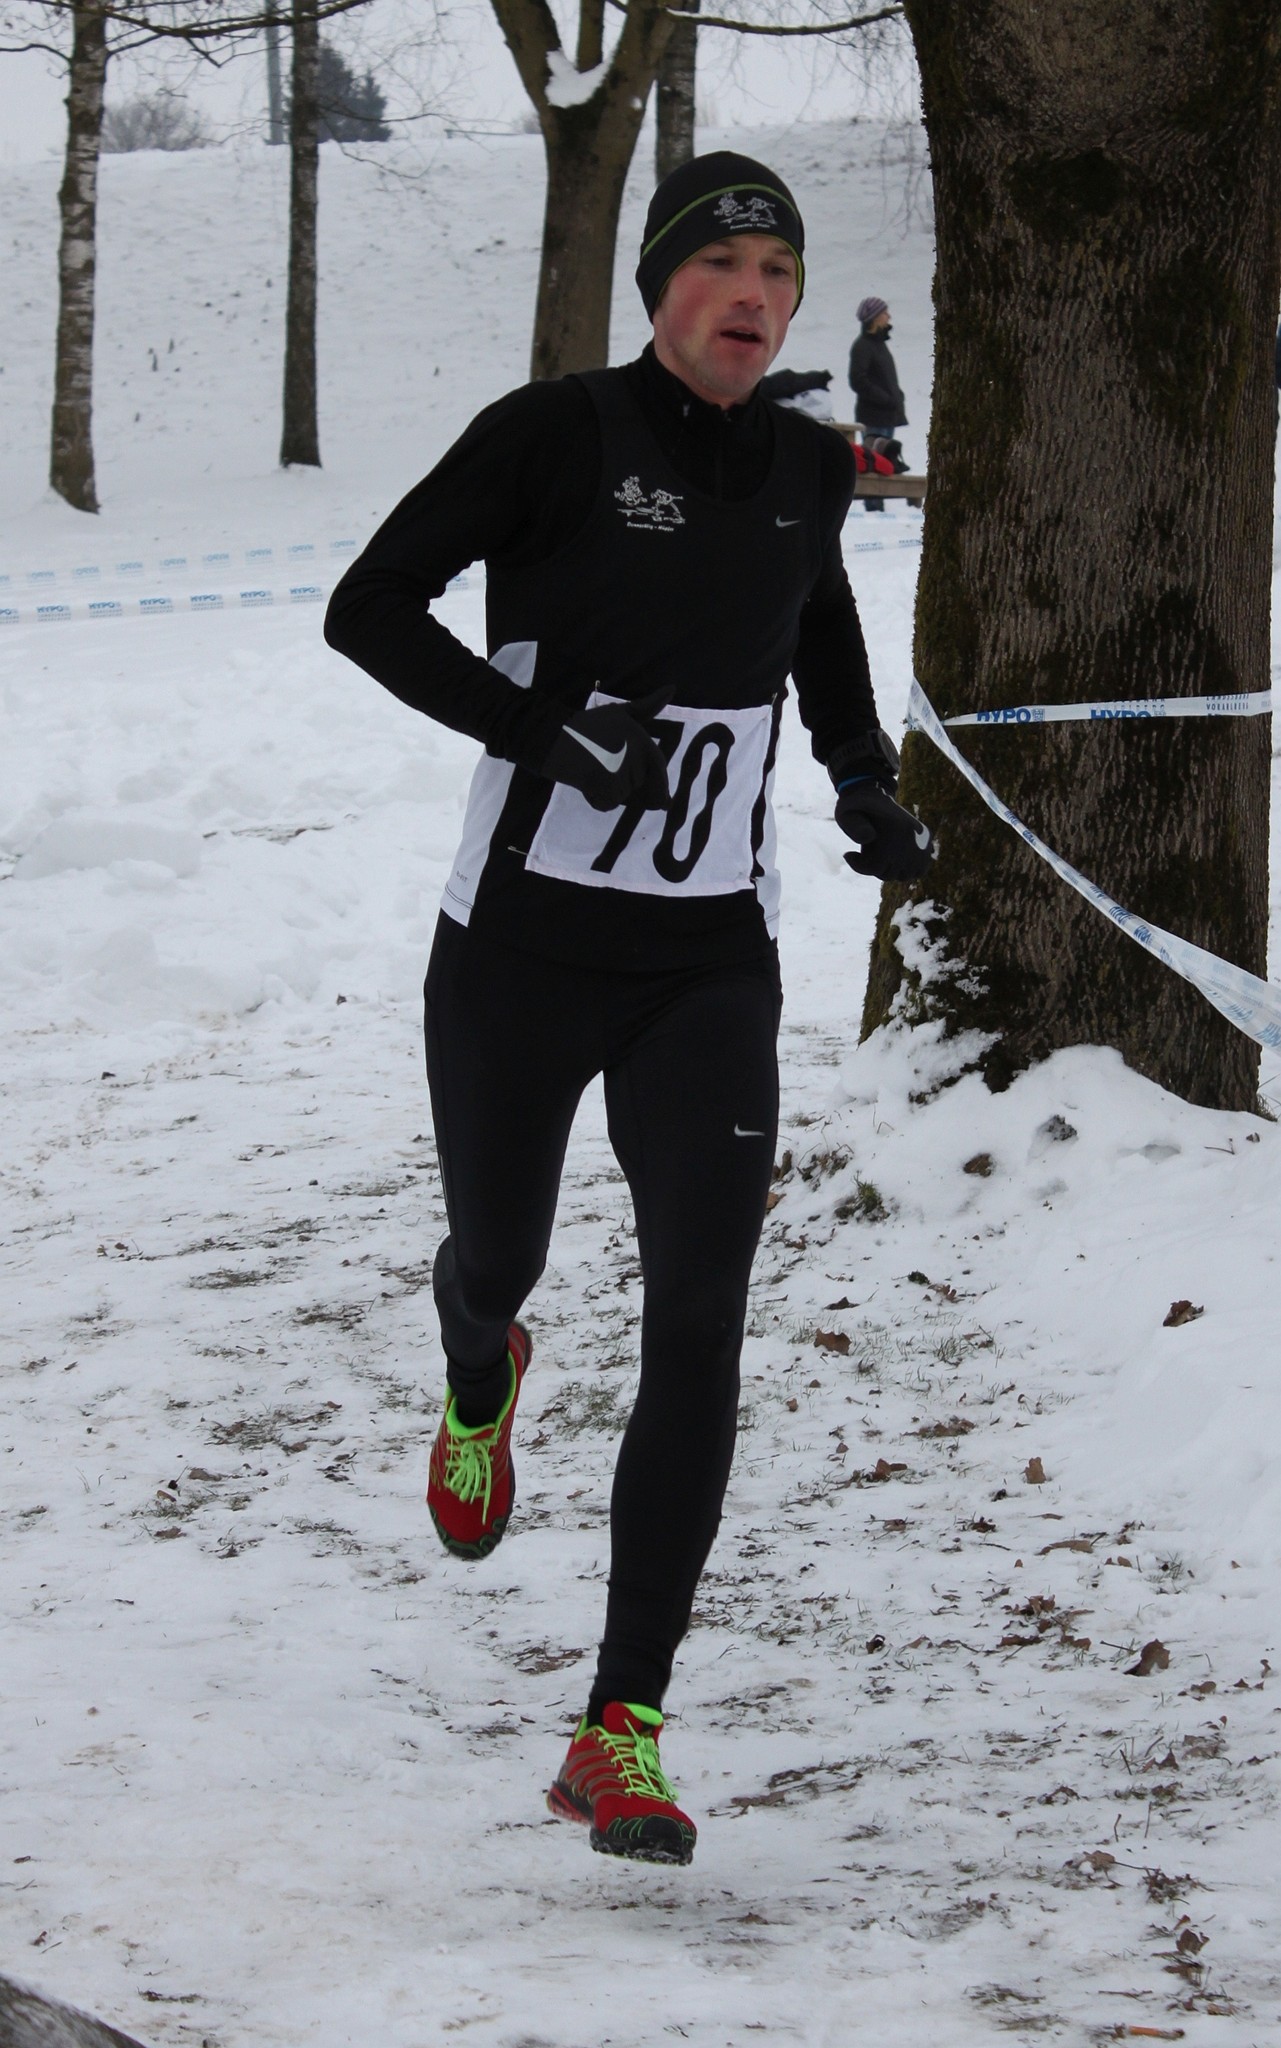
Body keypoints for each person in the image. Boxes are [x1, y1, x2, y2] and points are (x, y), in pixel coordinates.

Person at [323, 151, 934, 1869]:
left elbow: (815, 630)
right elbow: (365, 608)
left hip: (704, 962)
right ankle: (478, 1366)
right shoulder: (555, 435)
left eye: (780, 270)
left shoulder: (814, 466)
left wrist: (860, 781)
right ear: (663, 286)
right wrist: (534, 728)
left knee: (701, 1320)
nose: (755, 293)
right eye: (724, 262)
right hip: (517, 949)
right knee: (494, 1256)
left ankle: (620, 1723)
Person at [847, 295, 908, 511]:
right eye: (884, 313)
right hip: (873, 416)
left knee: (886, 458)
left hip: (886, 414)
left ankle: (878, 504)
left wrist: (896, 397)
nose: (888, 316)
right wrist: (886, 398)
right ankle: (873, 505)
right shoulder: (863, 346)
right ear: (874, 318)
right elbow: (858, 380)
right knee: (873, 461)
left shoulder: (879, 345)